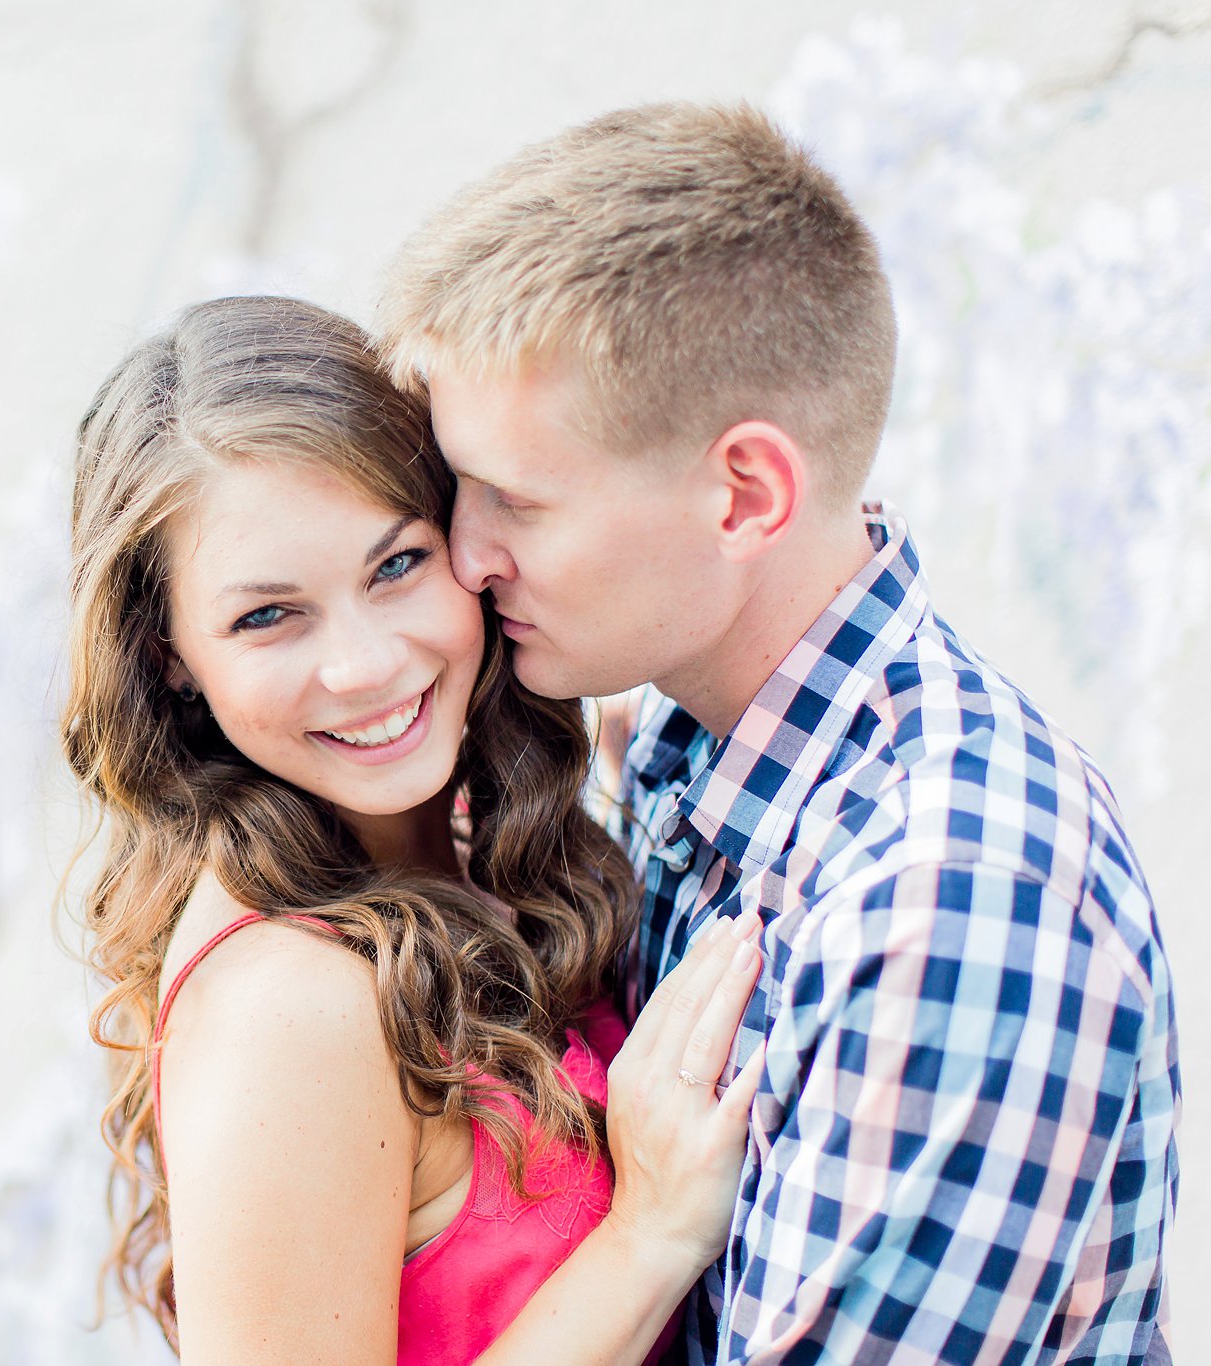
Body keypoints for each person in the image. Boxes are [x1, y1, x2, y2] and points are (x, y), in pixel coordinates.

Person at [377, 102, 1179, 1363]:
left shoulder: (950, 898)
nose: (465, 557)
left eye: (514, 500)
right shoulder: (677, 753)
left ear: (743, 494)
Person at [62, 294, 763, 1364]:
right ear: (169, 658)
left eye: (394, 566)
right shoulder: (287, 1003)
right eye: (267, 615)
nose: (365, 666)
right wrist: (650, 1234)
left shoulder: (477, 846)